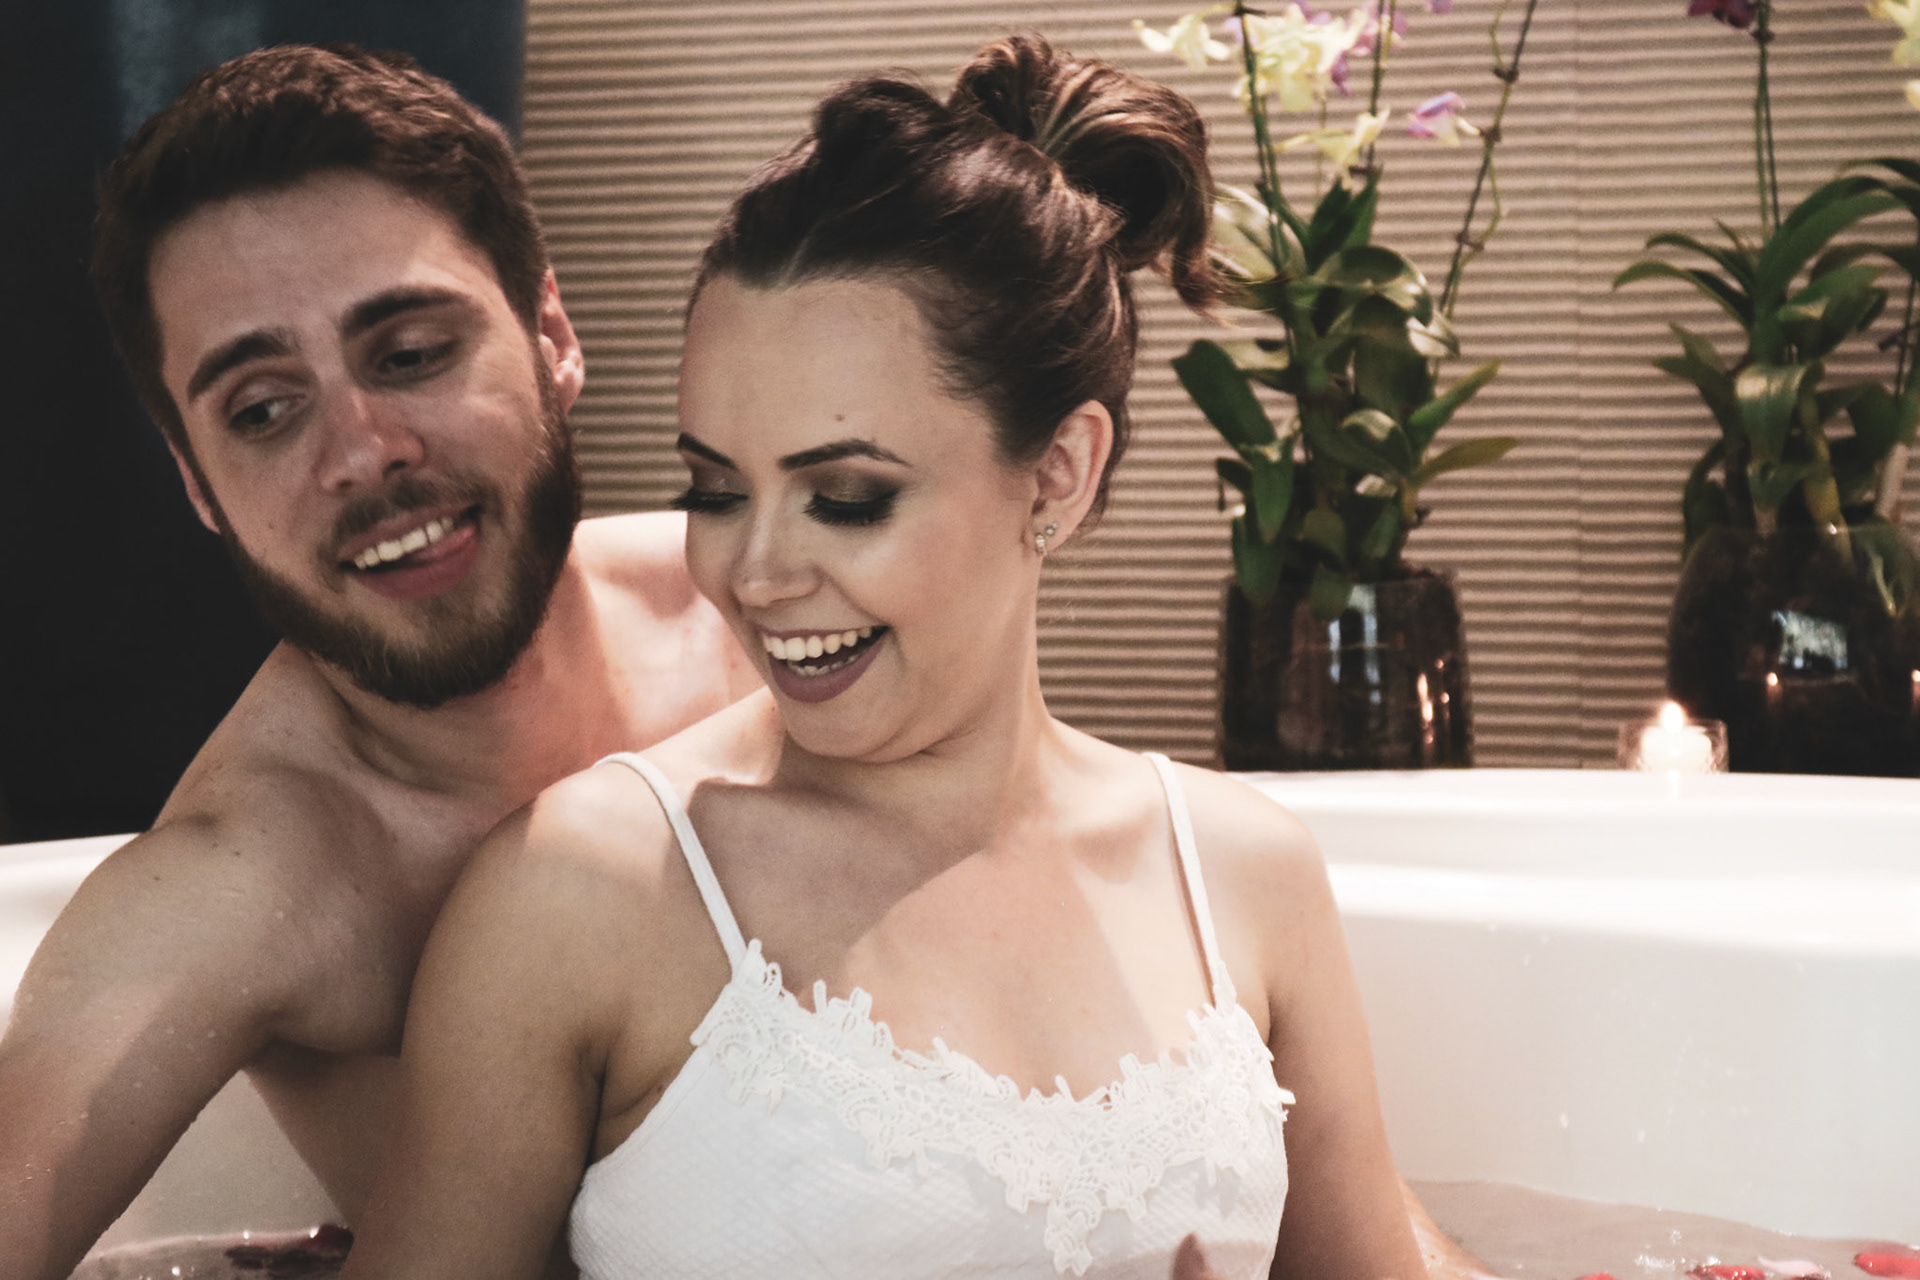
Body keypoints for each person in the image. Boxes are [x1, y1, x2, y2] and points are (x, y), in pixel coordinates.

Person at [340, 37, 1432, 1280]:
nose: (754, 573)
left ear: (1058, 474)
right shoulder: (585, 891)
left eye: (847, 498)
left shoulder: (1242, 872)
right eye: (715, 489)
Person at [0, 45, 757, 1280]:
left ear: (551, 335)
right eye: (262, 409)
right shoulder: (246, 878)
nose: (362, 450)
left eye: (409, 352)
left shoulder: (756, 616)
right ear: (198, 483)